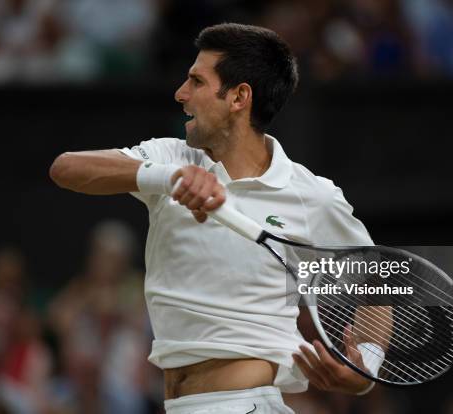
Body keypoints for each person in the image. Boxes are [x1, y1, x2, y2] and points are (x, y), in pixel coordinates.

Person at [50, 23, 375, 413]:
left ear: (239, 97)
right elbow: (66, 169)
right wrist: (169, 179)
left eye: (196, 82)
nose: (180, 94)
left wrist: (366, 367)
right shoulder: (170, 157)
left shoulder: (312, 197)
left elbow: (379, 281)